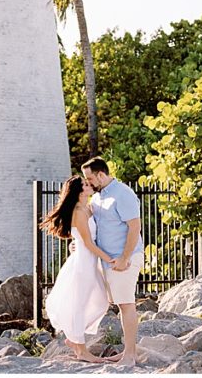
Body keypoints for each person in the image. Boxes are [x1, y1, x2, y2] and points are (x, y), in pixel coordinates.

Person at [39, 175, 113, 362]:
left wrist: (74, 243)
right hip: (83, 263)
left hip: (88, 260)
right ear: (79, 191)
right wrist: (109, 259)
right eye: (86, 185)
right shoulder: (79, 211)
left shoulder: (88, 208)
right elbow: (88, 242)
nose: (90, 186)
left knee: (101, 301)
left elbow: (82, 237)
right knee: (79, 304)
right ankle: (81, 350)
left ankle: (74, 338)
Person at [82, 156, 144, 367]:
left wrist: (124, 258)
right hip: (109, 262)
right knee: (120, 304)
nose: (87, 182)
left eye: (89, 178)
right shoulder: (98, 198)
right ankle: (127, 351)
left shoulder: (123, 194)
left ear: (101, 174)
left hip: (124, 259)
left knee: (127, 305)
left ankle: (130, 356)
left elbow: (135, 227)